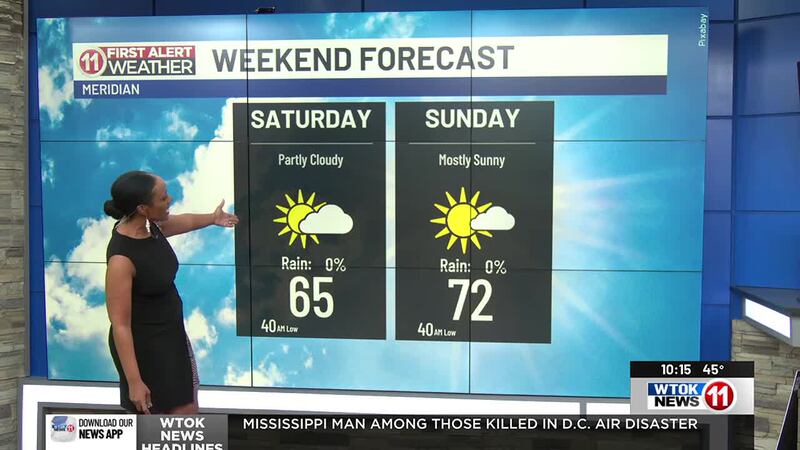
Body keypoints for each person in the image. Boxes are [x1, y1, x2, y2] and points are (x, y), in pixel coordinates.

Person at [103, 170, 238, 414]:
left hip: (171, 337)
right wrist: (134, 382)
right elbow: (120, 325)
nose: (170, 200)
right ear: (143, 208)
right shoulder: (121, 260)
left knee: (188, 411)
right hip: (146, 351)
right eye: (163, 198)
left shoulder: (150, 226)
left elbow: (180, 222)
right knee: (168, 420)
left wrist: (212, 218)